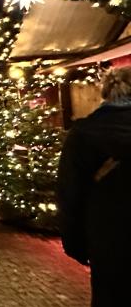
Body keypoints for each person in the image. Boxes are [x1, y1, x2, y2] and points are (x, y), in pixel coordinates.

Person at [57, 66, 131, 306]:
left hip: (109, 236)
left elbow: (70, 193)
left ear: (106, 92)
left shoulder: (83, 133)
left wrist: (75, 243)